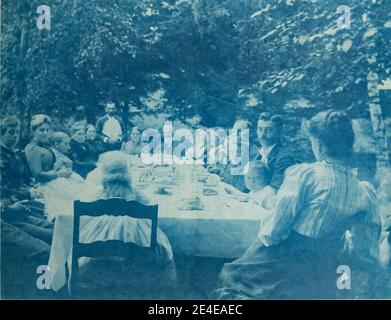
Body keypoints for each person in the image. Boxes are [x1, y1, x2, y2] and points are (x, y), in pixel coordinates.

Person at [213, 109, 382, 299]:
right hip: (325, 270)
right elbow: (364, 249)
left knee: (226, 280)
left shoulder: (306, 175)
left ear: (317, 144)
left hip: (287, 264)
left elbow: (271, 233)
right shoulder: (364, 190)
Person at [76, 151, 176, 298]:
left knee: (87, 240)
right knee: (159, 247)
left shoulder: (98, 192)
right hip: (134, 235)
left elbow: (86, 209)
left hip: (100, 239)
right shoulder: (133, 191)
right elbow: (149, 203)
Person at [24, 115, 83, 221]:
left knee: (84, 194)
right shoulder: (32, 149)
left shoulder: (43, 147)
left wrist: (60, 169)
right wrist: (60, 174)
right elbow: (38, 175)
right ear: (33, 131)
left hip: (54, 180)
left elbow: (51, 167)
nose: (45, 133)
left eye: (47, 130)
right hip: (46, 185)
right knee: (73, 205)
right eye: (41, 130)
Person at [254, 112, 298, 191]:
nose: (262, 135)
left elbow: (274, 189)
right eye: (260, 129)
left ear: (279, 132)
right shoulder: (259, 154)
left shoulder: (285, 158)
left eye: (269, 130)